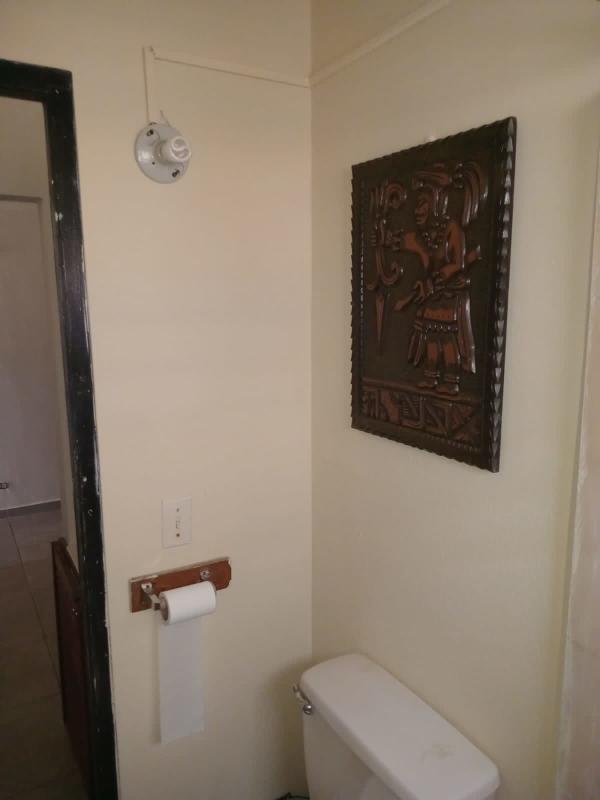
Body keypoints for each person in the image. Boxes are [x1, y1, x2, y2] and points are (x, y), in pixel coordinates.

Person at [392, 162, 486, 395]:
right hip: (431, 295)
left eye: (422, 203)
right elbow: (410, 244)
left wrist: (438, 278)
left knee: (446, 340)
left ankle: (451, 379)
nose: (417, 210)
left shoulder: (453, 229)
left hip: (447, 293)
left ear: (437, 202)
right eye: (416, 204)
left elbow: (458, 263)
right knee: (430, 337)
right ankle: (431, 375)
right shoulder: (426, 235)